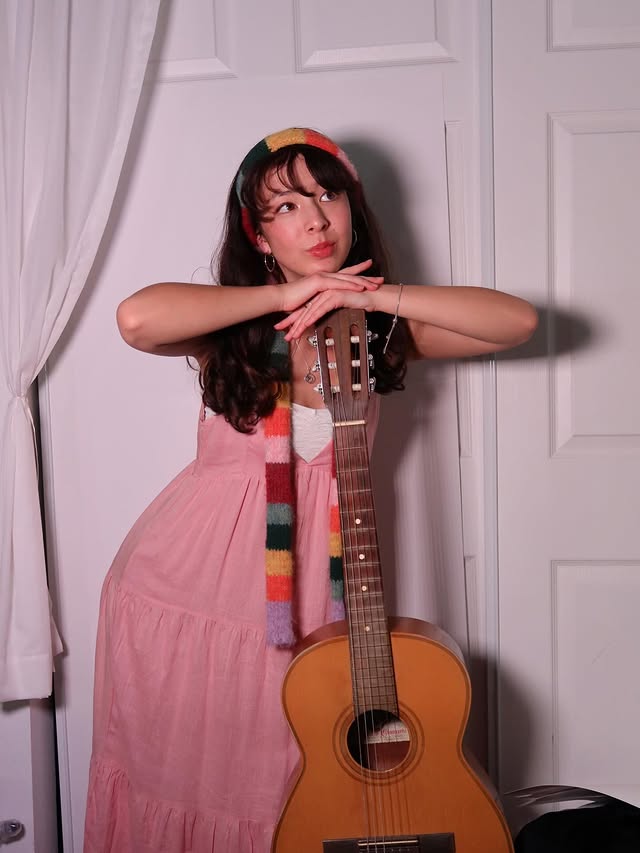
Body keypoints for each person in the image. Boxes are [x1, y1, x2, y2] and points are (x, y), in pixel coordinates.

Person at [84, 127, 538, 852]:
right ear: (260, 235)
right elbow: (136, 319)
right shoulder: (235, 328)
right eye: (287, 207)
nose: (317, 220)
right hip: (190, 590)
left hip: (314, 595)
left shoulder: (380, 334)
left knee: (301, 776)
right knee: (189, 775)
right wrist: (286, 294)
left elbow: (517, 321)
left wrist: (370, 294)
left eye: (329, 195)